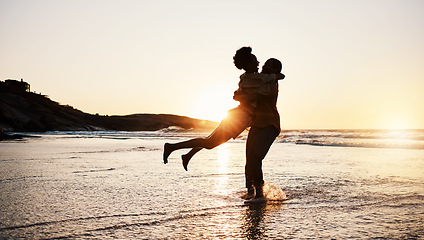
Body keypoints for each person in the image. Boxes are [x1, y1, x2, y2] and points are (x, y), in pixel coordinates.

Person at [163, 47, 284, 170]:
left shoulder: (245, 77)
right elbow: (275, 77)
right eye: (255, 60)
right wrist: (277, 75)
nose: (258, 63)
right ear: (247, 63)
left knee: (209, 140)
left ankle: (187, 155)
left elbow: (239, 93)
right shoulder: (255, 79)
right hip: (240, 118)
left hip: (236, 115)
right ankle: (172, 147)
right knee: (209, 143)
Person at [242, 57, 283, 204]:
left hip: (269, 125)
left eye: (268, 66)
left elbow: (255, 93)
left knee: (255, 157)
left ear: (274, 70)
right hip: (257, 124)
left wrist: (243, 94)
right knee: (249, 159)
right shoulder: (262, 79)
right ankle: (249, 191)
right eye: (264, 64)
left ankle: (259, 194)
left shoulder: (270, 83)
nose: (264, 67)